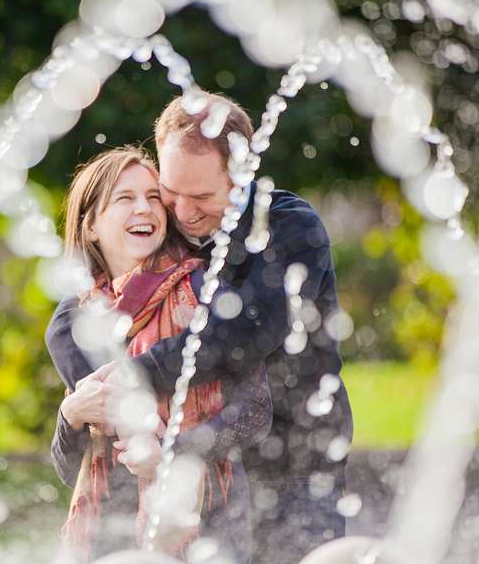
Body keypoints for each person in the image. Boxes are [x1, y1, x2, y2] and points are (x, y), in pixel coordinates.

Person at [46, 94, 353, 564]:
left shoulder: (288, 229)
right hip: (181, 491)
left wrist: (133, 379)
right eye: (170, 191)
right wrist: (82, 408)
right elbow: (70, 326)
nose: (183, 212)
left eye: (203, 197)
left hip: (292, 467)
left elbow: (239, 336)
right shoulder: (162, 242)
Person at [49, 146, 272, 564]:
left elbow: (257, 410)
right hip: (108, 539)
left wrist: (173, 456)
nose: (145, 208)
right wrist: (71, 416)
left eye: (154, 197)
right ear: (91, 226)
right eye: (125, 198)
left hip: (207, 527)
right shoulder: (77, 325)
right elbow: (70, 471)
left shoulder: (206, 292)